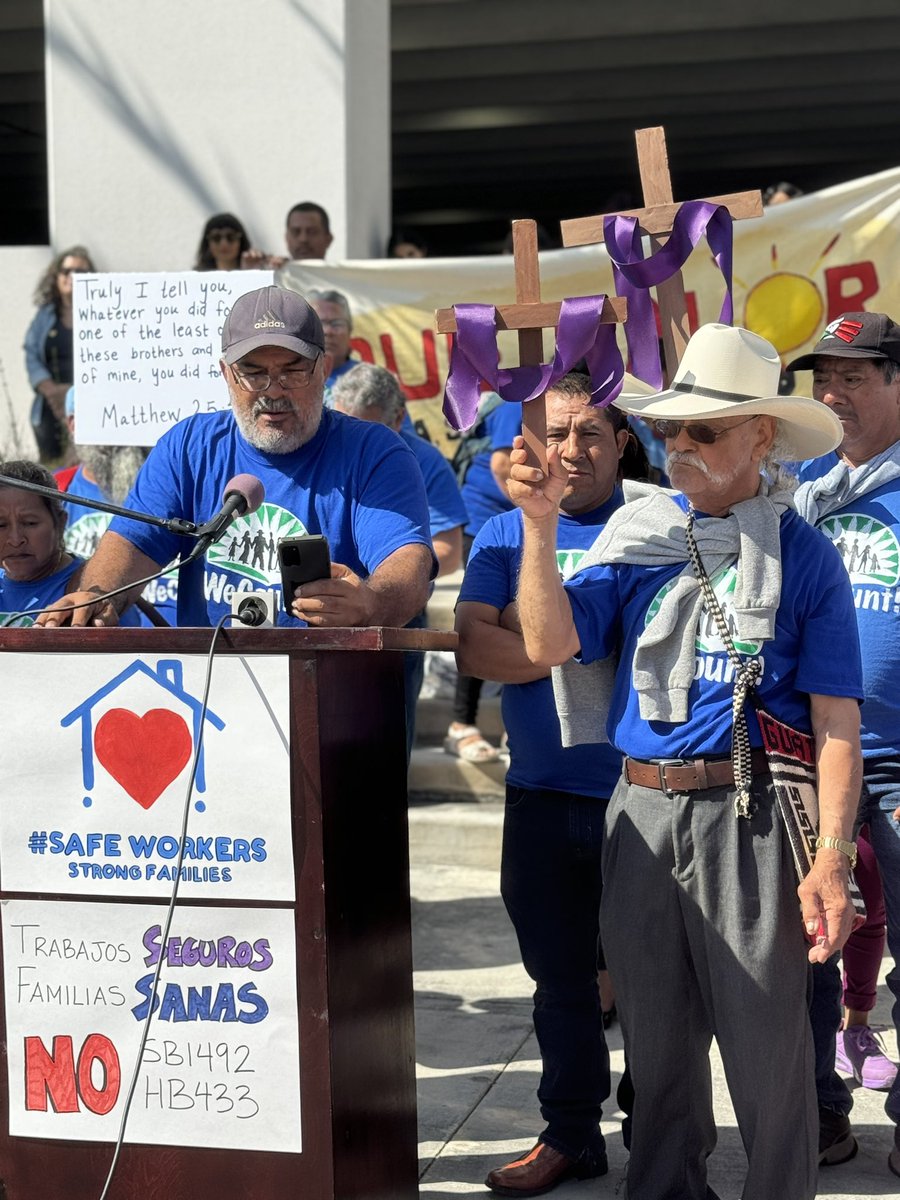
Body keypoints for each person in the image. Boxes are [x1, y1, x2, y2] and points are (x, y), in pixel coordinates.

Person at [507, 322, 863, 1200]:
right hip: (640, 814)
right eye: (671, 430)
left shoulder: (806, 554)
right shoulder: (637, 539)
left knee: (767, 1055)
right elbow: (548, 641)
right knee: (658, 1056)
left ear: (762, 437)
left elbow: (836, 721)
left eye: (704, 430)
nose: (680, 446)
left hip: (751, 819)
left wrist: (830, 859)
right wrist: (541, 528)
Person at [455, 373, 629, 1195]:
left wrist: (529, 641)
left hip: (646, 799)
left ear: (623, 442)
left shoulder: (658, 523)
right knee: (559, 984)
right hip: (540, 796)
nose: (571, 451)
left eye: (590, 434)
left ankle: (658, 1126)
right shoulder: (499, 537)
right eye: (554, 435)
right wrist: (563, 644)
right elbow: (473, 653)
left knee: (655, 982)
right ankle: (571, 1134)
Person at [37, 285, 435, 631]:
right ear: (226, 374)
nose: (273, 390)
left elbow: (407, 564)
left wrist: (371, 602)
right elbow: (132, 548)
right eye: (252, 373)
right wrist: (95, 596)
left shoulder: (374, 452)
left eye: (292, 371)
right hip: (211, 689)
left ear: (323, 369)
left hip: (329, 688)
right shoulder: (189, 446)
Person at [787, 310, 900, 1178]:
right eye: (822, 379)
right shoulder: (803, 495)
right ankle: (824, 1116)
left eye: (854, 377)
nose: (831, 394)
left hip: (898, 756)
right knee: (805, 950)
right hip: (810, 753)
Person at [332, 361, 467, 758]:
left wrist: (389, 580)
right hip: (323, 622)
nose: (353, 437)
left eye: (368, 427)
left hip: (394, 619)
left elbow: (450, 551)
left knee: (384, 757)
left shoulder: (423, 462)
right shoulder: (319, 447)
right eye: (343, 422)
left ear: (399, 418)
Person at [445, 394, 523, 763]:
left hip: (511, 522)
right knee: (482, 623)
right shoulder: (517, 402)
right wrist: (537, 516)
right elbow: (502, 463)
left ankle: (515, 727)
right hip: (488, 524)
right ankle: (461, 724)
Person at [54, 387, 171, 626]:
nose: (117, 427)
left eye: (128, 414)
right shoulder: (55, 492)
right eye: (104, 415)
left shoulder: (176, 487)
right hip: (95, 646)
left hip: (185, 647)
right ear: (73, 424)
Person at [0, 459, 135, 628]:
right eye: (1, 525)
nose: (15, 539)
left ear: (61, 522)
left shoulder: (96, 589)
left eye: (30, 523)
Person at [24, 244, 95, 465]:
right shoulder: (45, 316)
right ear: (56, 277)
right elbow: (31, 353)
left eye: (80, 272)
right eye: (67, 271)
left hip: (90, 403)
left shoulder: (101, 312)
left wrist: (74, 392)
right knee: (53, 468)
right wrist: (51, 390)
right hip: (51, 406)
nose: (72, 276)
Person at [305, 289, 358, 406]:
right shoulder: (289, 380)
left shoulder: (372, 381)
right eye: (320, 323)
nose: (328, 331)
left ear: (350, 330)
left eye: (336, 324)